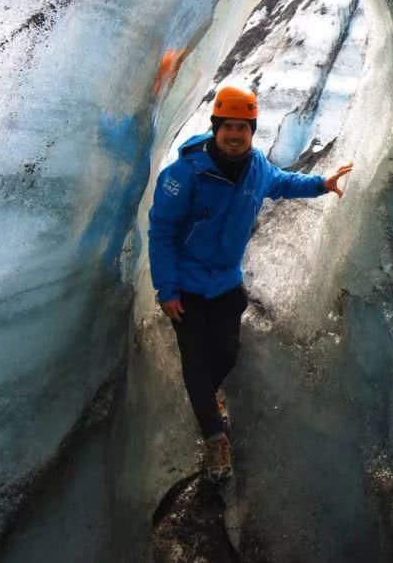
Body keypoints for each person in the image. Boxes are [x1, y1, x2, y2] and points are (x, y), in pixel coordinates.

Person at [148, 84, 353, 482]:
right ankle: (214, 437)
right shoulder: (184, 174)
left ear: (252, 131)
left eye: (243, 128)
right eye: (228, 127)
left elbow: (282, 183)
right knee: (195, 362)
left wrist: (321, 184)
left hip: (225, 282)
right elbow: (162, 231)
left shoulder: (257, 167)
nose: (235, 135)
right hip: (187, 285)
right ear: (215, 127)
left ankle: (207, 398)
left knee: (224, 353)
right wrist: (166, 289)